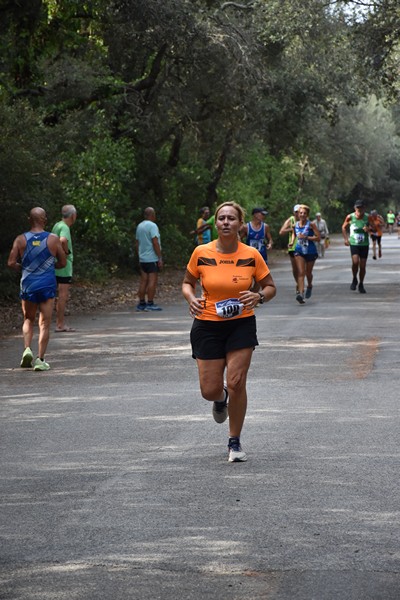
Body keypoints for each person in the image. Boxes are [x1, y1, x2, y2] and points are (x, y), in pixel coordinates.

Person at [182, 201, 276, 463]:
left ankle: (234, 442)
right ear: (215, 222)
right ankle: (220, 398)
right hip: (207, 324)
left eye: (231, 218)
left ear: (240, 225)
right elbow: (187, 283)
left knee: (237, 382)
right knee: (209, 390)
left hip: (241, 323)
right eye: (221, 218)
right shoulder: (201, 252)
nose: (225, 222)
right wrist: (191, 298)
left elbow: (270, 287)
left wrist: (258, 297)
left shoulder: (251, 255)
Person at [7, 207, 66, 371]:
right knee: (45, 323)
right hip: (47, 284)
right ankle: (40, 359)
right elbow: (62, 263)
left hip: (28, 284)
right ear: (44, 220)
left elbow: (11, 263)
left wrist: (24, 267)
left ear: (29, 220)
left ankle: (27, 349)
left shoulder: (20, 239)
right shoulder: (53, 239)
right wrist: (49, 267)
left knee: (28, 319)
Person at [52, 204, 77, 332]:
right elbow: (62, 240)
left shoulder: (57, 225)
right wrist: (65, 253)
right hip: (64, 266)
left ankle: (56, 322)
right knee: (62, 295)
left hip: (55, 264)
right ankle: (60, 324)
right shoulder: (65, 227)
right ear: (73, 216)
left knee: (54, 295)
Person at [290, 204, 320, 304]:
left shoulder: (311, 225)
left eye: (304, 213)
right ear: (298, 214)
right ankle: (301, 294)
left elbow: (318, 237)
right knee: (301, 272)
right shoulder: (295, 225)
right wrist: (292, 242)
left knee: (308, 273)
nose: (302, 215)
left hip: (310, 251)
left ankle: (310, 285)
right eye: (301, 213)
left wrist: (307, 237)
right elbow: (294, 234)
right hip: (299, 251)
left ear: (307, 215)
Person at [135, 206, 163, 311]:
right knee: (152, 281)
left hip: (142, 258)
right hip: (152, 258)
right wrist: (159, 257)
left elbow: (137, 243)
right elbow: (155, 241)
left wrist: (139, 255)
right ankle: (150, 303)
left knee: (143, 281)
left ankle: (141, 303)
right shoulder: (153, 226)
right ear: (151, 215)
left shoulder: (139, 226)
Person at [341, 200, 371, 294]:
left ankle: (361, 283)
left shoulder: (368, 217)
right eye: (358, 208)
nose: (359, 210)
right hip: (354, 243)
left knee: (362, 266)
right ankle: (354, 278)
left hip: (364, 244)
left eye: (361, 208)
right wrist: (346, 239)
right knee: (355, 262)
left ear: (364, 208)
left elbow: (374, 228)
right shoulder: (350, 217)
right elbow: (343, 227)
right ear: (355, 208)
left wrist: (368, 229)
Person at [279, 204, 300, 295]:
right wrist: (291, 229)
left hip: (303, 247)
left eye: (299, 211)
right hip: (292, 247)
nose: (298, 214)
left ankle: (301, 285)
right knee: (295, 269)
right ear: (294, 212)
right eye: (296, 212)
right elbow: (281, 232)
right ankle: (298, 284)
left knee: (302, 268)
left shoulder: (305, 221)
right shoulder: (291, 220)